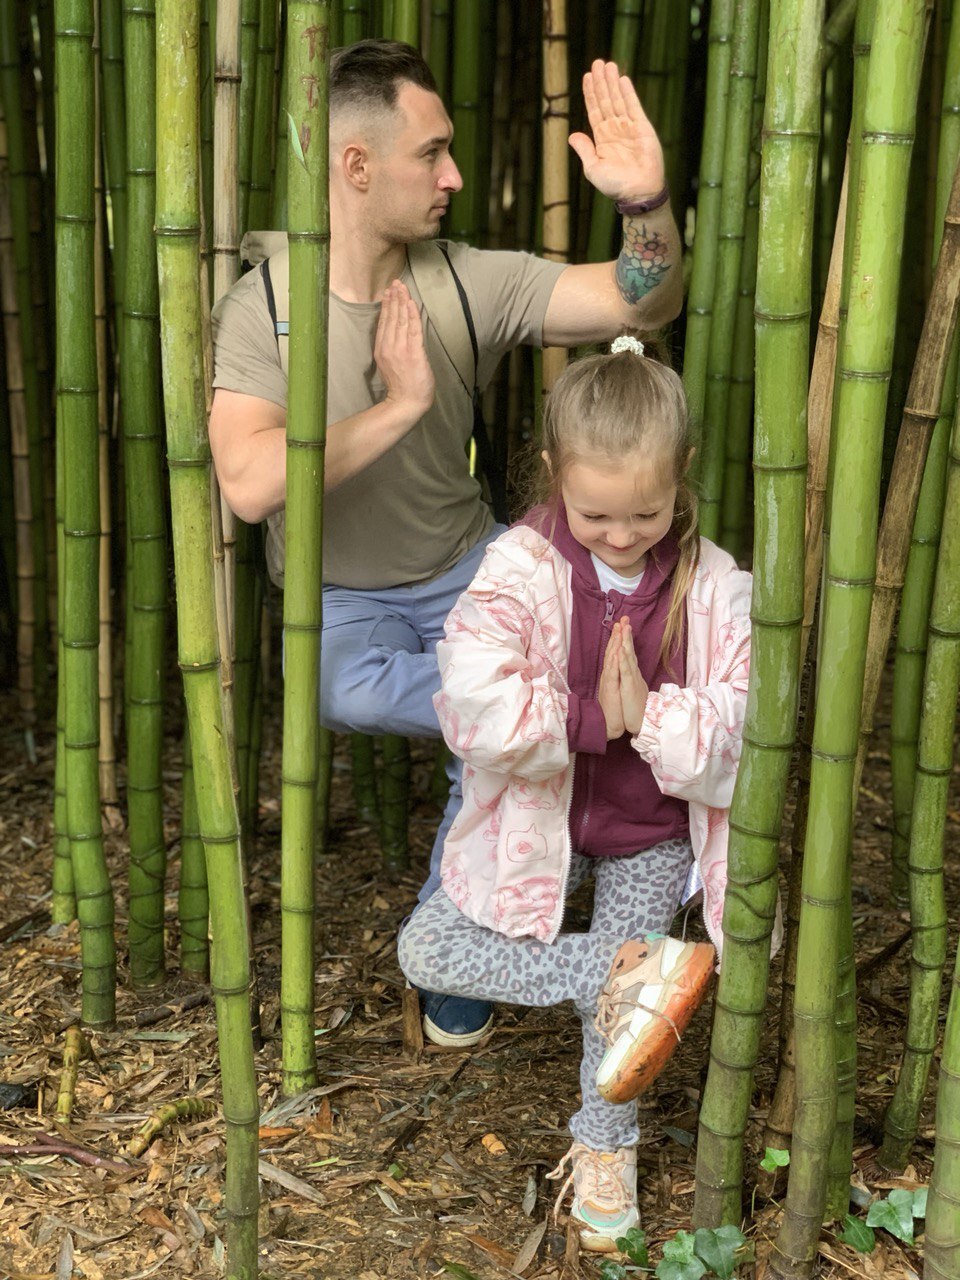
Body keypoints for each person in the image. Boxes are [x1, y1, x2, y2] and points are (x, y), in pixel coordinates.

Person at [209, 40, 683, 1049]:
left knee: (529, 696)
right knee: (378, 697)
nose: (454, 177)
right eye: (433, 154)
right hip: (339, 602)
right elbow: (249, 486)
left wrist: (645, 206)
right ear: (355, 165)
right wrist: (403, 407)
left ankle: (459, 954)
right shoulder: (266, 305)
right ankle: (536, 731)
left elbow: (641, 299)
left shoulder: (463, 281)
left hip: (472, 569)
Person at [397, 339, 755, 1252]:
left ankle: (605, 1148)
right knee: (428, 948)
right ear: (555, 475)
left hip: (649, 831)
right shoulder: (517, 567)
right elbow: (471, 707)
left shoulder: (714, 586)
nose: (625, 533)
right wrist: (590, 716)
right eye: (595, 513)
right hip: (533, 823)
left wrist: (652, 719)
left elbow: (744, 727)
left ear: (682, 479)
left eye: (648, 510)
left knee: (625, 983)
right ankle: (615, 980)